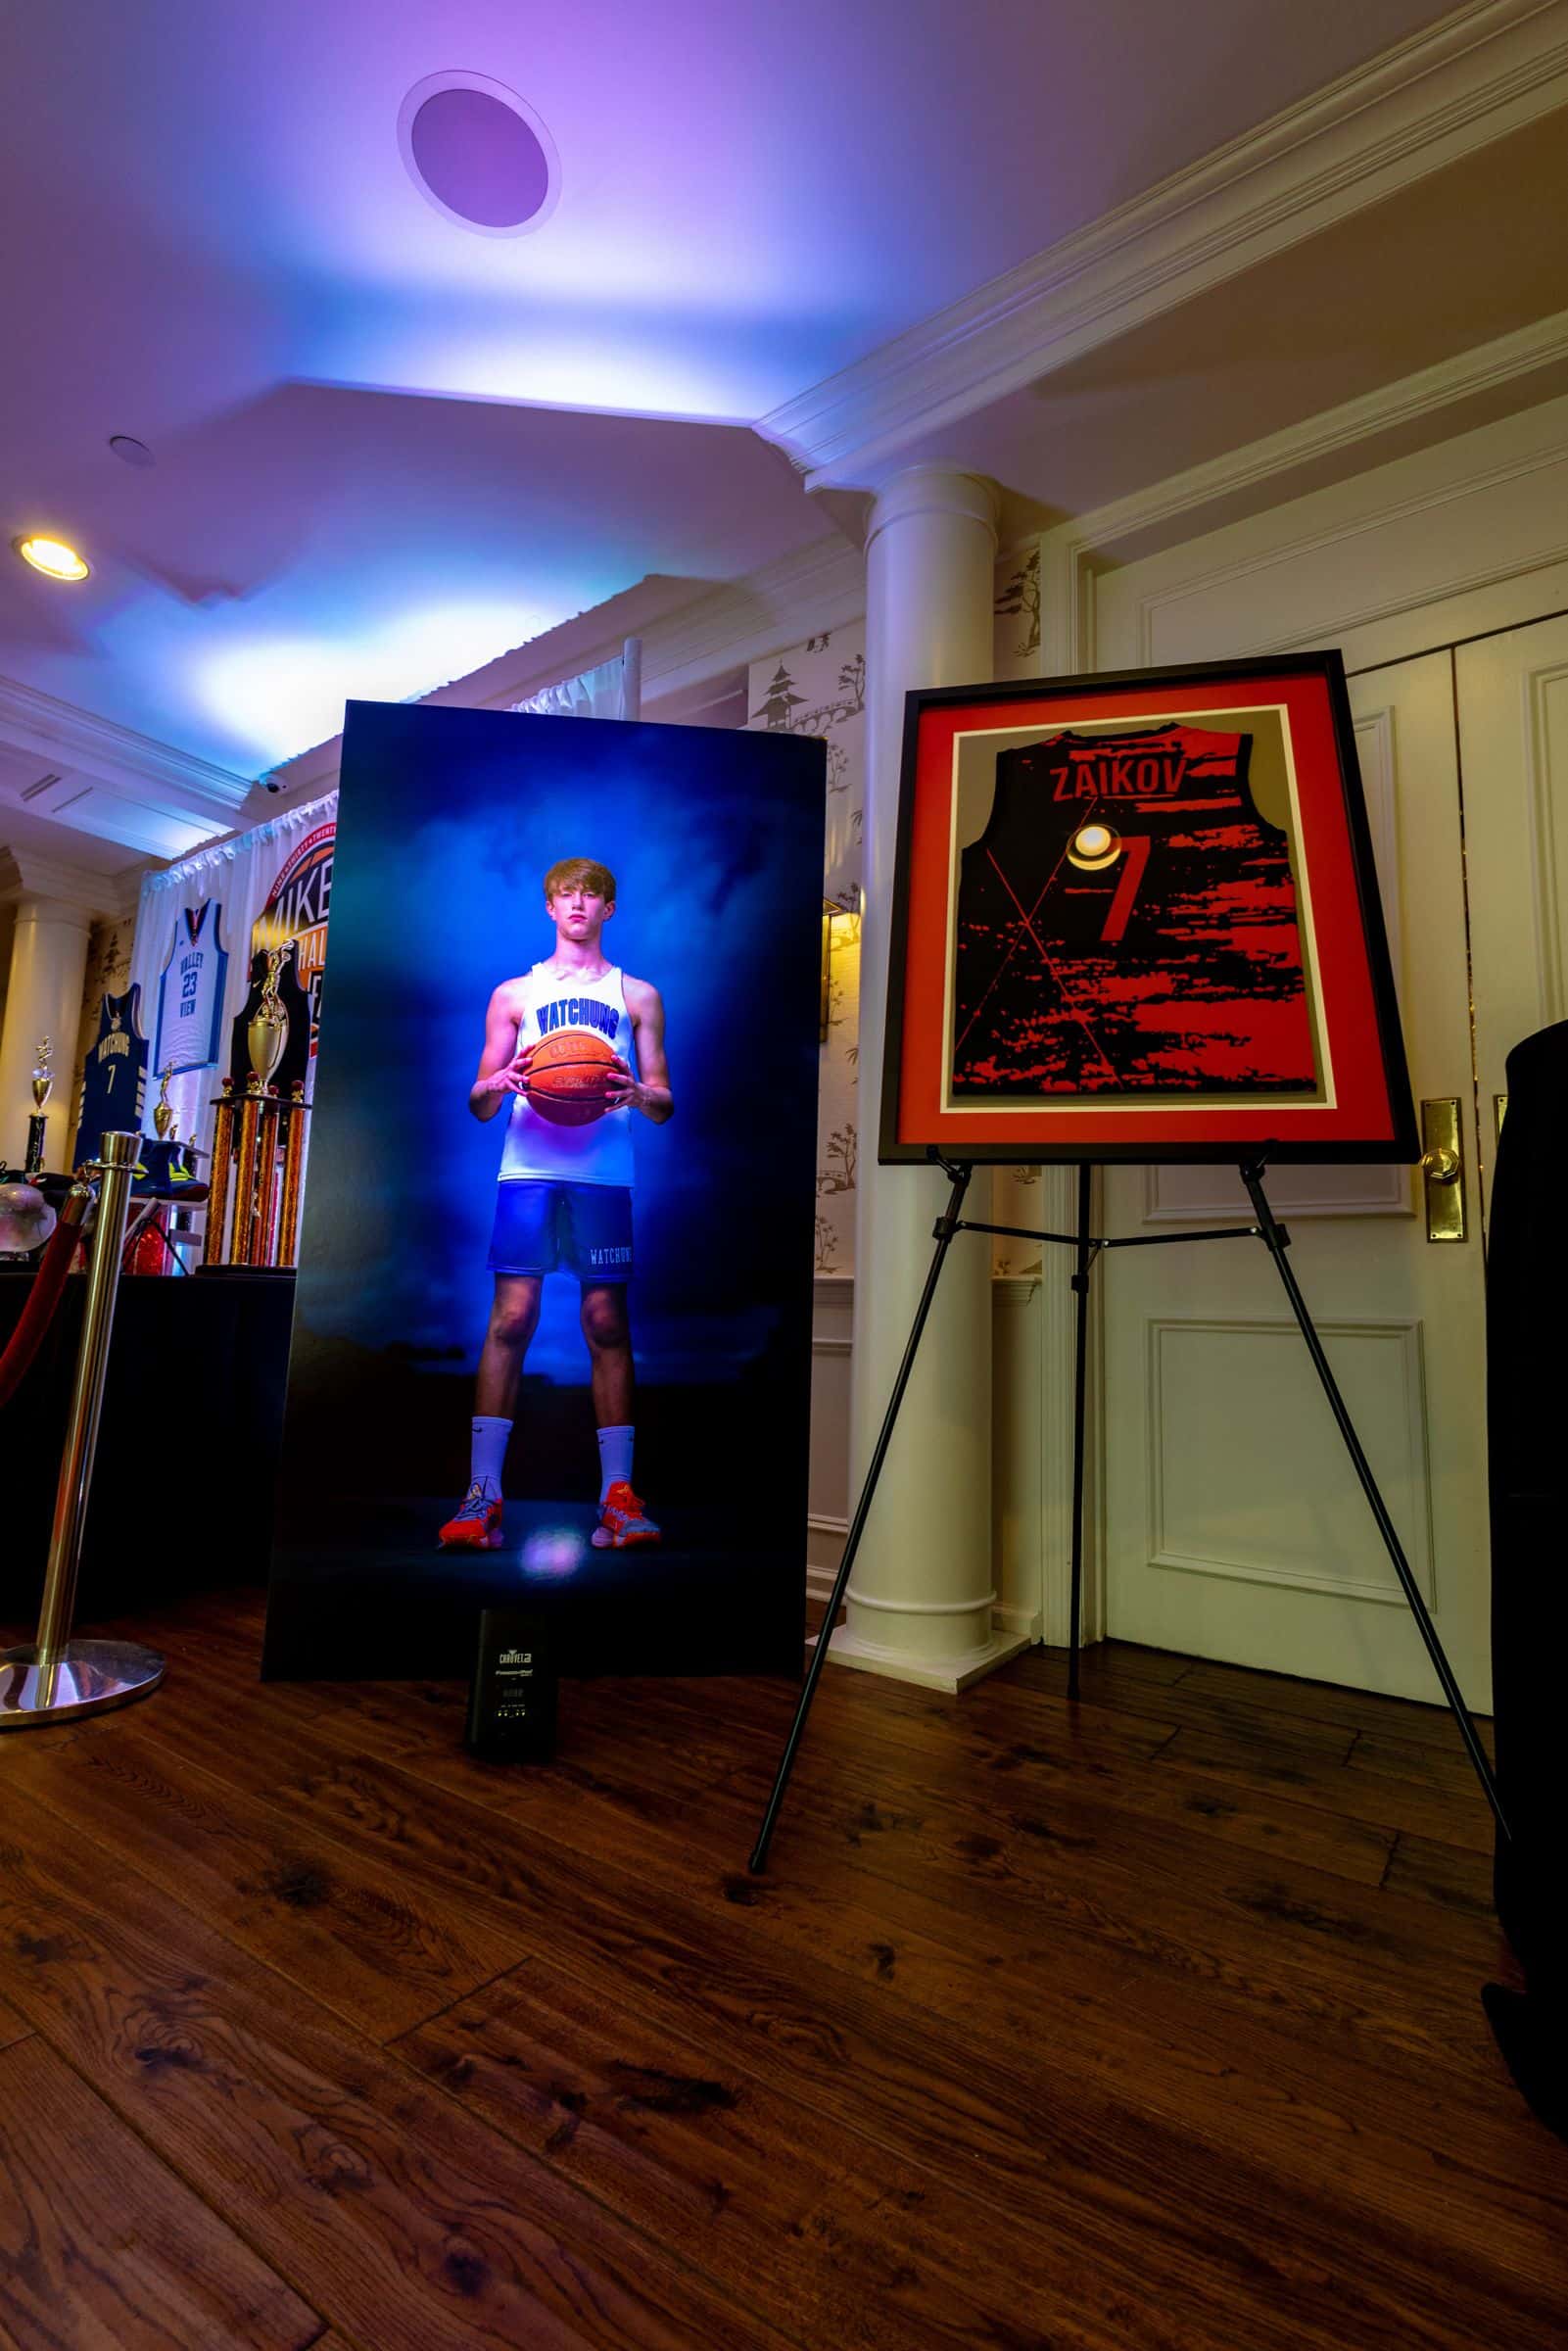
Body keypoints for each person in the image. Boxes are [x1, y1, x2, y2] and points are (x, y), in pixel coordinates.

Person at [438, 855, 673, 1553]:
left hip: (604, 1175)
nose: (578, 903)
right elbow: (480, 1103)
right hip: (528, 1171)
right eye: (566, 894)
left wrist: (636, 1093)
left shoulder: (640, 996)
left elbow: (664, 1102)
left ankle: (618, 1497)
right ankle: (482, 1494)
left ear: (608, 910)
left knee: (605, 1320)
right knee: (511, 1318)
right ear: (549, 908)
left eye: (592, 895)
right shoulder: (513, 993)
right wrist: (499, 1081)